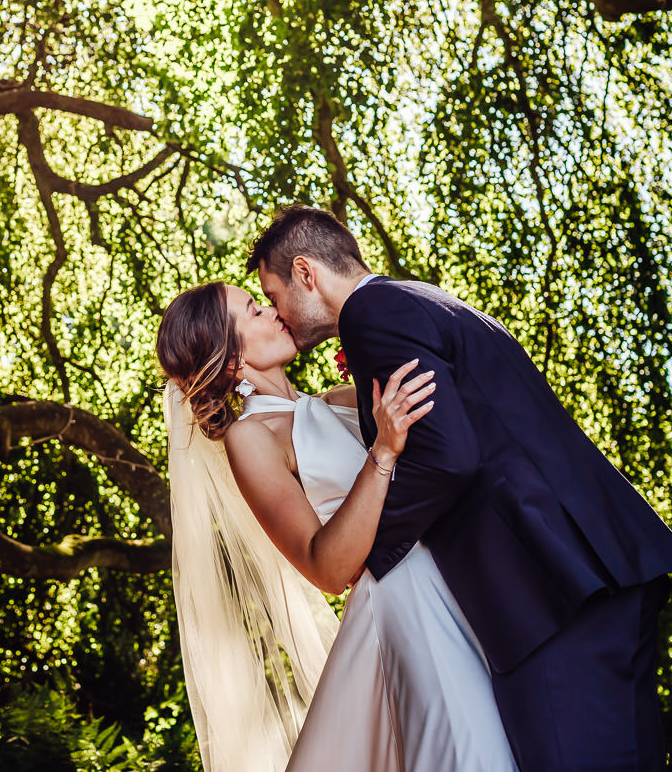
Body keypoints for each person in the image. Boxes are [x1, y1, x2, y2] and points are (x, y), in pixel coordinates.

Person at [248, 204, 672, 772]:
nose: (279, 312)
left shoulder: (372, 316)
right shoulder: (419, 297)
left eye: (275, 292)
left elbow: (448, 456)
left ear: (306, 273)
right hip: (596, 569)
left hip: (547, 589)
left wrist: (370, 554)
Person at [157, 281, 518, 772]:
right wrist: (384, 453)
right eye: (253, 310)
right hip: (403, 603)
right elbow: (325, 568)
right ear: (231, 361)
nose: (272, 312)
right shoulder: (252, 437)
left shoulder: (341, 398)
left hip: (463, 583)